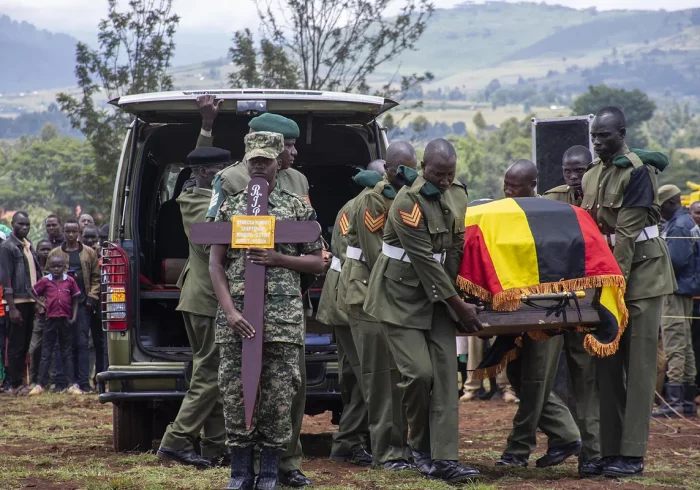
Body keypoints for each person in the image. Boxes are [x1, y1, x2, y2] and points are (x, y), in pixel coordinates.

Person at [201, 97, 313, 488]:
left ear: (280, 157)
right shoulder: (230, 202)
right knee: (234, 392)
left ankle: (272, 470)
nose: (262, 164)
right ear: (247, 158)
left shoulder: (296, 202)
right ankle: (240, 472)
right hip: (238, 315)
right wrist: (230, 311)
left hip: (282, 317)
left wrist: (280, 260)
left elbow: (318, 258)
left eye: (269, 158)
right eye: (255, 159)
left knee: (281, 394)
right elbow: (213, 259)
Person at [363, 138, 482, 483]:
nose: (445, 181)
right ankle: (419, 445)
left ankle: (444, 460)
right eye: (439, 174)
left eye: (450, 174)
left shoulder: (457, 192)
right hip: (399, 297)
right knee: (419, 374)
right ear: (423, 168)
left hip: (440, 298)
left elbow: (456, 244)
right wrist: (459, 307)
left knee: (446, 378)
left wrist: (459, 291)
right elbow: (424, 262)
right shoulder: (407, 202)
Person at [581, 106, 676, 477]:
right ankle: (609, 449)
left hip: (641, 275)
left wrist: (612, 287)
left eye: (604, 136)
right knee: (607, 361)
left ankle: (632, 453)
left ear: (621, 132)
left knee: (638, 366)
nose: (598, 142)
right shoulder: (593, 174)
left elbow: (627, 235)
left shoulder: (637, 172)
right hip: (607, 274)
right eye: (594, 136)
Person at [497, 161, 582, 471]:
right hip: (515, 312)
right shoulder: (503, 215)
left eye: (515, 186)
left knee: (534, 381)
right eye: (506, 184)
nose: (508, 190)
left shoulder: (546, 217)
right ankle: (566, 435)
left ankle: (518, 449)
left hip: (547, 311)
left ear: (532, 184)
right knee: (519, 376)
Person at [342, 143, 420, 471]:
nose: (409, 174)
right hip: (369, 296)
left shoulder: (404, 196)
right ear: (388, 168)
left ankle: (401, 448)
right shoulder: (374, 201)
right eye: (402, 168)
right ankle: (388, 453)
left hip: (389, 296)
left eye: (412, 168)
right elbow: (379, 257)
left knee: (397, 375)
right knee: (381, 378)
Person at [157, 147, 229, 468]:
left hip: (203, 298)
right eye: (217, 171)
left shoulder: (210, 195)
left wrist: (207, 124)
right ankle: (176, 441)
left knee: (212, 371)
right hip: (205, 299)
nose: (223, 176)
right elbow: (208, 241)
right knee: (210, 373)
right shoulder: (196, 201)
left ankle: (215, 445)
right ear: (201, 173)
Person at [319, 164, 388, 467]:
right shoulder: (367, 205)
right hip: (353, 293)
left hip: (342, 293)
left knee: (354, 374)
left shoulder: (353, 203)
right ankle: (350, 440)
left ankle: (351, 440)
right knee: (365, 376)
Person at [543, 145, 602, 476]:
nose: (573, 176)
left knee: (585, 379)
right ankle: (561, 439)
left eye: (579, 170)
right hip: (553, 300)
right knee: (543, 378)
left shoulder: (600, 197)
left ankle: (591, 455)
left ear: (589, 169)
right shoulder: (552, 199)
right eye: (568, 170)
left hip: (589, 301)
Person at [652, 185, 697, 418]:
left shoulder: (678, 225)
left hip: (674, 290)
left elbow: (674, 261)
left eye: (660, 208)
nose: (659, 213)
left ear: (670, 203)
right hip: (684, 290)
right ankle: (687, 401)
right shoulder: (686, 222)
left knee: (675, 344)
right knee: (685, 345)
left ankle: (674, 402)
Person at [47, 219, 100, 393]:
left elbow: (95, 278)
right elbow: (47, 277)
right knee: (60, 343)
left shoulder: (89, 253)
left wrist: (92, 297)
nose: (70, 234)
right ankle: (61, 382)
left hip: (83, 305)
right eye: (67, 231)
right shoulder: (55, 253)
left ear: (79, 232)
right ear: (63, 231)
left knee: (82, 342)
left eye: (74, 231)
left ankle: (83, 382)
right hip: (60, 306)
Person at [27, 255, 83, 396]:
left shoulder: (69, 281)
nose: (56, 269)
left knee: (67, 352)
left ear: (64, 267)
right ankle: (40, 384)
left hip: (65, 320)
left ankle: (71, 384)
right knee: (46, 353)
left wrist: (74, 316)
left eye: (59, 266)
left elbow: (76, 299)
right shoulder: (45, 281)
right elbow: (32, 292)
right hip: (50, 320)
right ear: (49, 267)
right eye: (53, 266)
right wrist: (41, 303)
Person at [0, 211, 41, 396]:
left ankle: (20, 382)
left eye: (27, 225)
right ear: (12, 223)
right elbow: (6, 278)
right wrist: (12, 307)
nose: (24, 228)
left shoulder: (28, 246)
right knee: (15, 345)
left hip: (30, 300)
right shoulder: (8, 247)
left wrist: (39, 300)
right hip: (17, 301)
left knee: (25, 344)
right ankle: (13, 383)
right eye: (21, 224)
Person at [28, 239, 65, 391]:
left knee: (55, 347)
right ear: (37, 250)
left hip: (57, 315)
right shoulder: (34, 268)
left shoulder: (57, 269)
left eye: (48, 249)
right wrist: (40, 304)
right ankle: (34, 379)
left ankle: (50, 380)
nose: (45, 252)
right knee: (35, 347)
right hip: (39, 314)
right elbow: (31, 290)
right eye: (42, 249)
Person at [81, 225, 106, 384]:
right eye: (87, 237)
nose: (91, 241)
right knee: (83, 343)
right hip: (84, 305)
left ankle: (100, 377)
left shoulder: (105, 255)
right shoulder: (80, 254)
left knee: (101, 344)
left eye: (94, 238)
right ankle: (83, 379)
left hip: (102, 306)